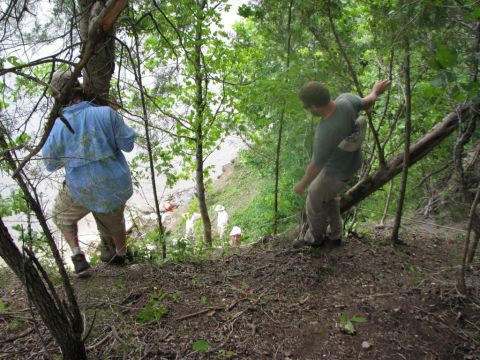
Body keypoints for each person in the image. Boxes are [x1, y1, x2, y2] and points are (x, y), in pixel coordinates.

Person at [42, 70, 136, 276]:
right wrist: (114, 115)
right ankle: (121, 255)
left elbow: (49, 164)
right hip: (113, 184)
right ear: (79, 88)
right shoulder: (105, 113)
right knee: (116, 221)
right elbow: (128, 144)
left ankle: (77, 255)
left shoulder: (58, 126)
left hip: (81, 188)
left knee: (61, 215)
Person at [293, 79, 390, 248]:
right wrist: (376, 91)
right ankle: (335, 235)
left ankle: (315, 238)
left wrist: (302, 184)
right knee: (329, 196)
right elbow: (367, 102)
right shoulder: (346, 100)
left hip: (335, 173)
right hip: (353, 163)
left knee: (314, 199)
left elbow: (316, 165)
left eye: (306, 106)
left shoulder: (324, 131)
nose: (307, 110)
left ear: (314, 106)